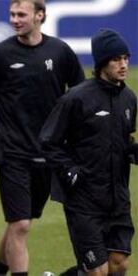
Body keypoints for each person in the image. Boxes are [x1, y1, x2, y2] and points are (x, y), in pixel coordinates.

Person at [0, 0, 85, 275]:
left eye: (21, 14)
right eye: (12, 15)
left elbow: (79, 95)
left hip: (48, 153)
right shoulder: (0, 55)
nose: (15, 20)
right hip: (13, 153)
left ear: (40, 16)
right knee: (20, 225)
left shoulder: (60, 52)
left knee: (23, 220)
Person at [39, 28, 136, 276]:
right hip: (84, 200)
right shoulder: (76, 98)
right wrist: (68, 170)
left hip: (117, 199)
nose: (123, 65)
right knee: (98, 271)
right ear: (103, 62)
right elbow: (49, 141)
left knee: (119, 265)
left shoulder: (129, 98)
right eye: (116, 59)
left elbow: (123, 140)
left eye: (126, 58)